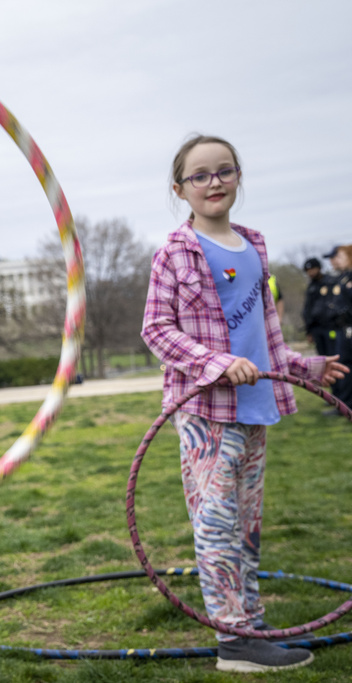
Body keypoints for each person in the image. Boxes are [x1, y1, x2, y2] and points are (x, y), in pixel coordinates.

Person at [142, 134, 348, 673]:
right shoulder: (175, 252)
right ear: (179, 189)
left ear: (238, 177)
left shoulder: (253, 245)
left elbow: (264, 331)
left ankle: (251, 623)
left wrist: (305, 366)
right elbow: (156, 329)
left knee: (246, 524)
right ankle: (234, 642)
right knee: (215, 523)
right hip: (206, 411)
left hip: (257, 405)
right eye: (200, 175)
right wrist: (214, 364)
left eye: (224, 171)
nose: (214, 182)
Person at [322, 244, 352, 413]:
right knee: (345, 366)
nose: (335, 261)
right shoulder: (343, 278)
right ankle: (345, 405)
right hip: (343, 328)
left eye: (340, 256)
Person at [301, 257, 333, 356]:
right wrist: (308, 331)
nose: (311, 273)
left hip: (331, 326)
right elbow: (308, 309)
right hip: (316, 328)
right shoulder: (311, 287)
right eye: (308, 271)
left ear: (319, 268)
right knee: (323, 356)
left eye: (312, 269)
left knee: (335, 353)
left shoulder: (330, 282)